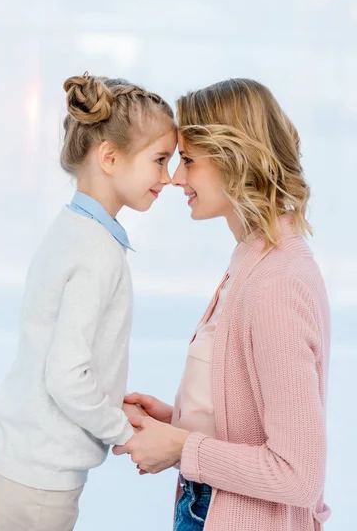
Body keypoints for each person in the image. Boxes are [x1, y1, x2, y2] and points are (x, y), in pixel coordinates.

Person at [116, 78, 331, 531]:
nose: (175, 177)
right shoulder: (255, 261)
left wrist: (179, 448)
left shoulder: (276, 284)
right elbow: (252, 425)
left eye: (189, 161)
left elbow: (297, 474)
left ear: (235, 160)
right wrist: (177, 423)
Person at [0, 72, 177, 531]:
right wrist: (124, 432)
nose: (169, 178)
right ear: (109, 156)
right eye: (161, 160)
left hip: (18, 462)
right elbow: (68, 377)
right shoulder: (97, 253)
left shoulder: (71, 230)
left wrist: (114, 407)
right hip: (41, 481)